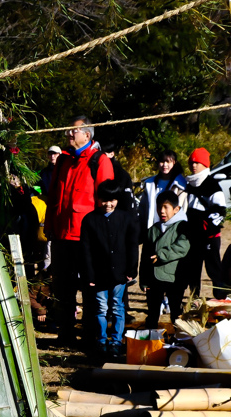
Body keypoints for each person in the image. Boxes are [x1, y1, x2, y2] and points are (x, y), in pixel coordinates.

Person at [45, 116, 114, 344]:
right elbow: (53, 196)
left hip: (86, 238)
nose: (69, 135)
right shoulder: (63, 160)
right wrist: (49, 225)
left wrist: (103, 234)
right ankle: (65, 333)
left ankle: (90, 335)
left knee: (89, 288)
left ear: (88, 134)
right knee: (62, 288)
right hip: (61, 235)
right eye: (68, 131)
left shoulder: (99, 161)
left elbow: (106, 203)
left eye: (73, 131)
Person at [81, 180, 138, 357]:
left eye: (112, 200)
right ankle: (101, 339)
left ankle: (116, 340)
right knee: (101, 307)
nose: (108, 204)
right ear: (98, 199)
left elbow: (132, 246)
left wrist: (131, 270)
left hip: (120, 272)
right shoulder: (90, 220)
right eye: (104, 200)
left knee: (117, 307)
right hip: (98, 274)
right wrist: (89, 274)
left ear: (118, 200)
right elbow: (86, 250)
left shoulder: (126, 219)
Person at [140, 190, 191, 327]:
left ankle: (181, 341)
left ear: (176, 209)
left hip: (174, 278)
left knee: (176, 312)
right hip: (154, 278)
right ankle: (151, 341)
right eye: (159, 207)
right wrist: (144, 280)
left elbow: (182, 247)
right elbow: (145, 256)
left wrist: (161, 255)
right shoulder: (153, 229)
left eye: (165, 207)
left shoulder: (182, 227)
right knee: (152, 312)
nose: (161, 211)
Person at [183, 147, 226, 295]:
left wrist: (205, 226)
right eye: (191, 162)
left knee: (213, 268)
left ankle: (220, 298)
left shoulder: (212, 185)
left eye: (197, 162)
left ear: (205, 165)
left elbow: (221, 211)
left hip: (209, 237)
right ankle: (194, 299)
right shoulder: (188, 185)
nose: (193, 166)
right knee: (193, 269)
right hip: (193, 237)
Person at [139, 150, 187, 232]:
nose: (165, 165)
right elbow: (142, 209)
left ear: (174, 163)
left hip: (171, 231)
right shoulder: (150, 184)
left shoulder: (181, 186)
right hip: (152, 230)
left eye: (168, 162)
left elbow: (182, 211)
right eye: (162, 161)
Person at [100, 142, 135, 212]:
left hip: (118, 212)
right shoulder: (97, 168)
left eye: (103, 154)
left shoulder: (120, 174)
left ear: (112, 154)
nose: (100, 157)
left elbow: (127, 200)